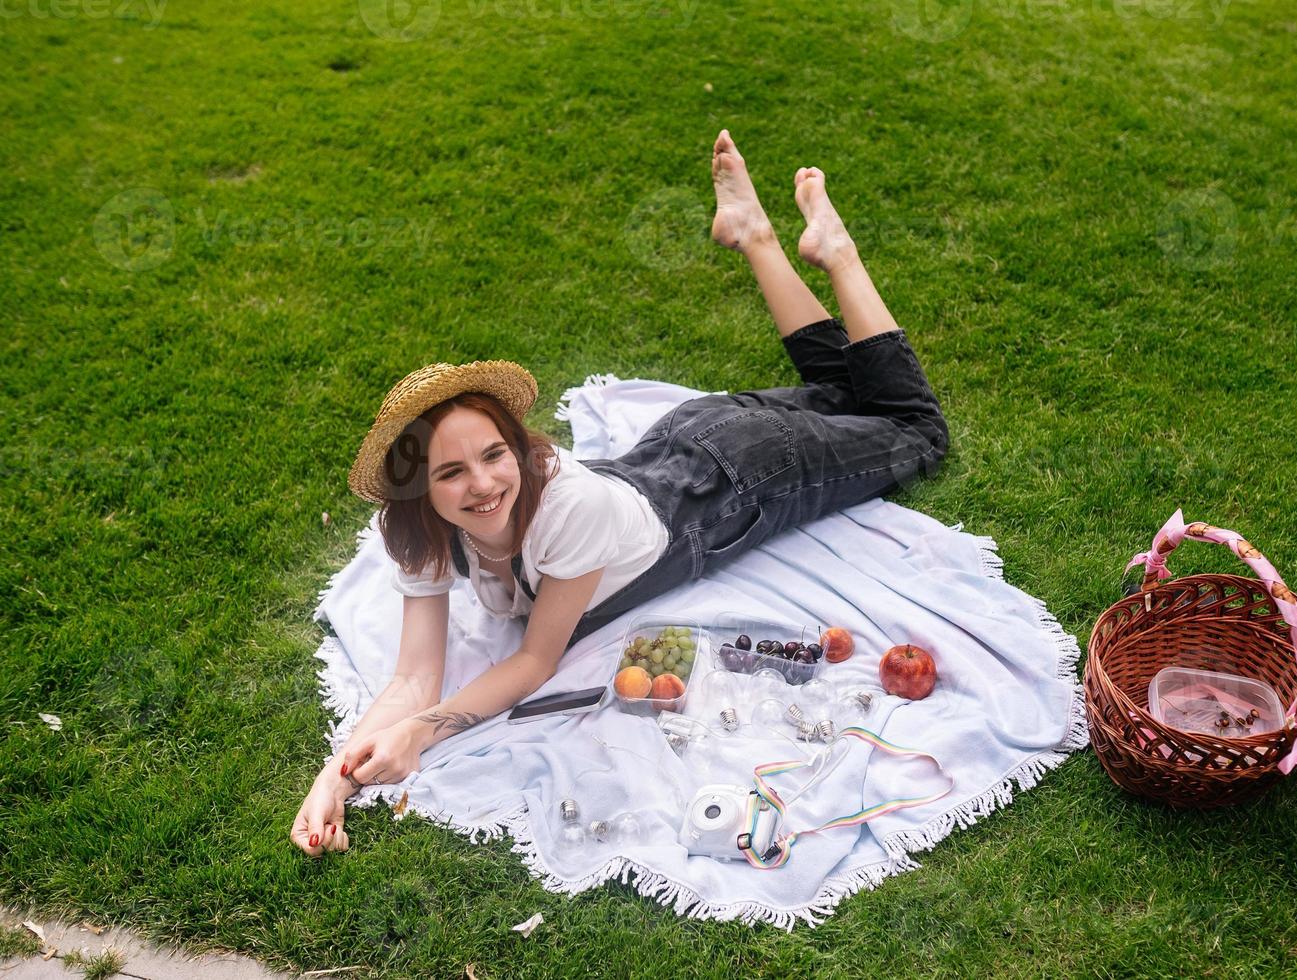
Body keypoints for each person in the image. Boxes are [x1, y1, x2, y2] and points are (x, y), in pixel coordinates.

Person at [291, 130, 949, 856]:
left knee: (915, 430)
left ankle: (835, 251)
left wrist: (422, 734)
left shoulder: (565, 508)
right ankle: (756, 236)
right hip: (684, 440)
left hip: (742, 481)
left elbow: (535, 662)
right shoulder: (415, 532)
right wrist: (333, 780)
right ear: (419, 490)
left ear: (516, 444)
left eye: (493, 455)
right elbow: (415, 675)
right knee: (842, 392)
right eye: (450, 473)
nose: (481, 485)